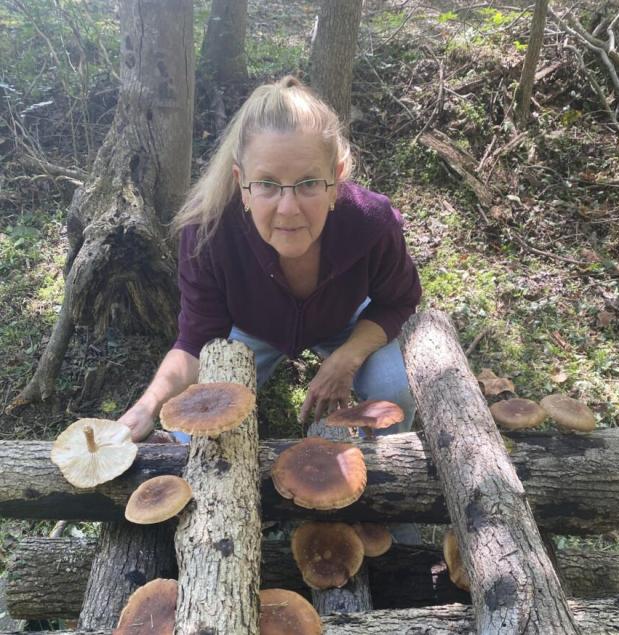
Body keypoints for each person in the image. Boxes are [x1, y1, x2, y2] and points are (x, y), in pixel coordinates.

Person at [119, 75, 421, 449]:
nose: (288, 209)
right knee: (188, 432)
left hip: (345, 320)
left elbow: (398, 301)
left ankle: (388, 479)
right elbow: (197, 341)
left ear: (336, 180)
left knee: (394, 392)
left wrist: (346, 358)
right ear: (241, 183)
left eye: (309, 182)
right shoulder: (206, 233)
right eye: (267, 184)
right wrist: (148, 406)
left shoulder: (372, 223)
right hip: (252, 331)